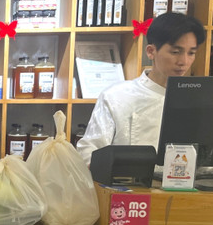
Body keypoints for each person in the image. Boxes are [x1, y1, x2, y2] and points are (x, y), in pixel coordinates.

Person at [77, 12, 205, 164]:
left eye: (191, 53)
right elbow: (89, 152)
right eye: (175, 52)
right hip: (127, 179)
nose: (184, 61)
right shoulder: (116, 96)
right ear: (151, 51)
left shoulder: (199, 98)